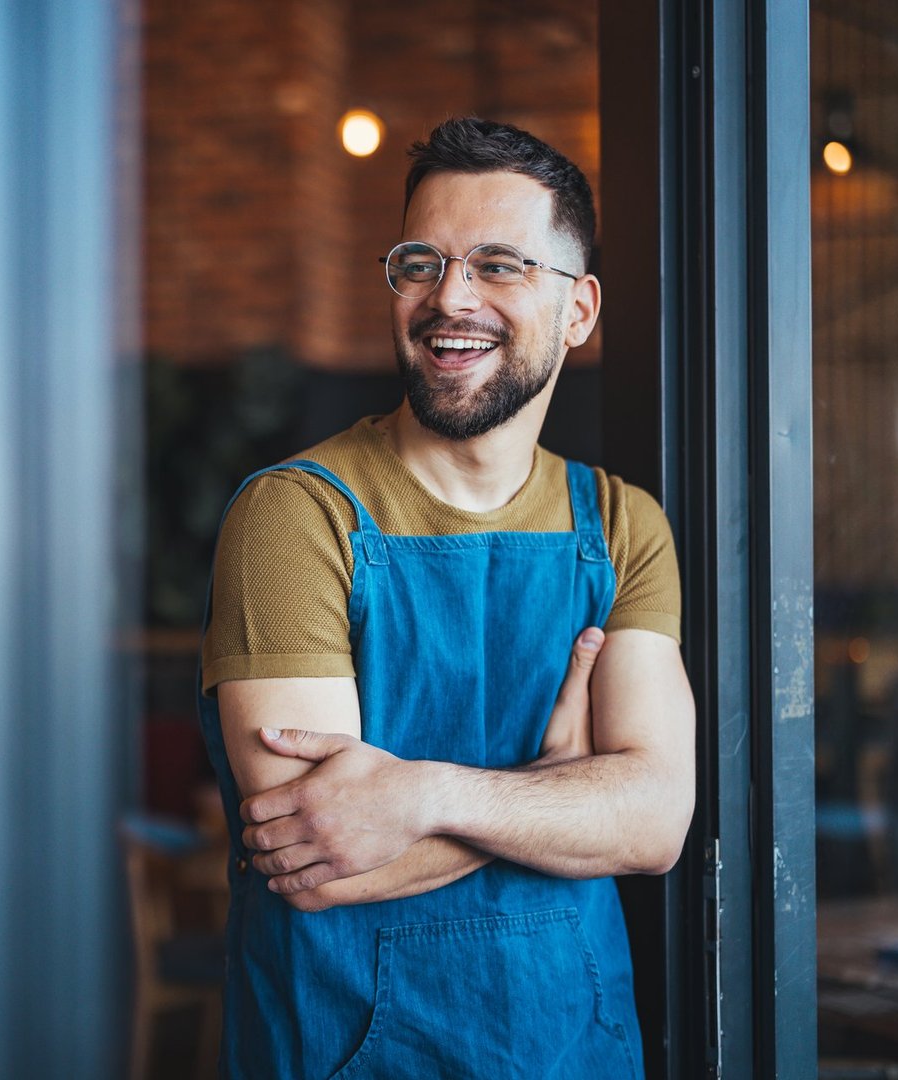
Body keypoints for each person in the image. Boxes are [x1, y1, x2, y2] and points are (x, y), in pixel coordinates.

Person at [196, 118, 696, 1079]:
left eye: (499, 264)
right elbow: (314, 851)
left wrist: (420, 795)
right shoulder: (296, 516)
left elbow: (655, 822)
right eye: (420, 262)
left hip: (575, 1047)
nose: (449, 298)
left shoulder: (625, 525)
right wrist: (558, 795)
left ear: (580, 309)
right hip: (346, 1051)